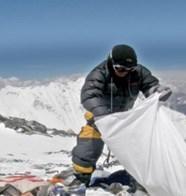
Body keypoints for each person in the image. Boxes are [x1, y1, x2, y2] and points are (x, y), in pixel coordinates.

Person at [70, 44, 172, 186]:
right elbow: (89, 95)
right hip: (100, 119)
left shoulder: (138, 72)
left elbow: (150, 85)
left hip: (124, 119)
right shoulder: (99, 73)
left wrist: (157, 91)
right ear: (112, 63)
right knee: (89, 144)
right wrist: (102, 114)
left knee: (139, 147)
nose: (125, 72)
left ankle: (139, 179)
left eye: (129, 69)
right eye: (120, 69)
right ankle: (81, 178)